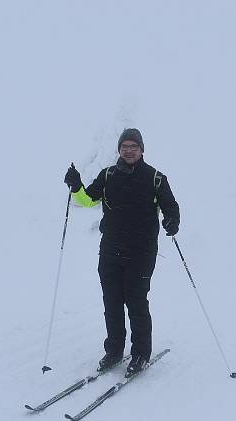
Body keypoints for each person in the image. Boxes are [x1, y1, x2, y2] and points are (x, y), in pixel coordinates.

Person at [63, 128, 180, 377]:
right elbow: (87, 200)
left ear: (141, 150)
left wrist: (172, 221)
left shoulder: (156, 178)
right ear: (119, 149)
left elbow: (171, 207)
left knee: (137, 303)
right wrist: (76, 186)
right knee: (112, 303)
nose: (129, 150)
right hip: (110, 251)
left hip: (141, 252)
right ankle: (114, 350)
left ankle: (140, 354)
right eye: (125, 146)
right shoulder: (108, 175)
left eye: (133, 146)